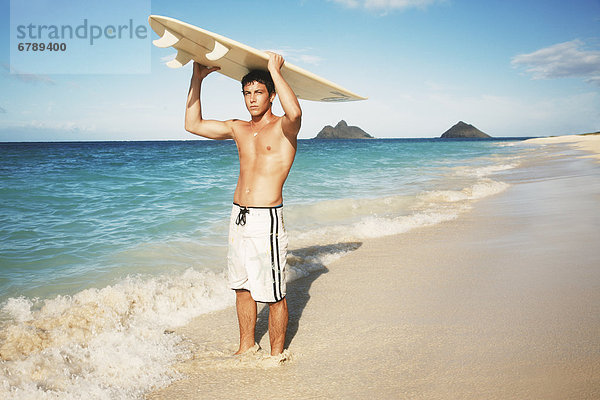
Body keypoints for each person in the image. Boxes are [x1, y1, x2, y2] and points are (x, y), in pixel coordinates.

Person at [184, 52, 301, 356]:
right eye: (247, 93)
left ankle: (277, 355)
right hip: (239, 216)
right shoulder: (239, 128)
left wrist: (275, 71)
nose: (251, 99)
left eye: (258, 92)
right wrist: (197, 79)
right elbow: (192, 124)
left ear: (271, 95)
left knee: (273, 293)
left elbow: (296, 114)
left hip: (267, 220)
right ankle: (245, 346)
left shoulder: (283, 128)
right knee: (242, 286)